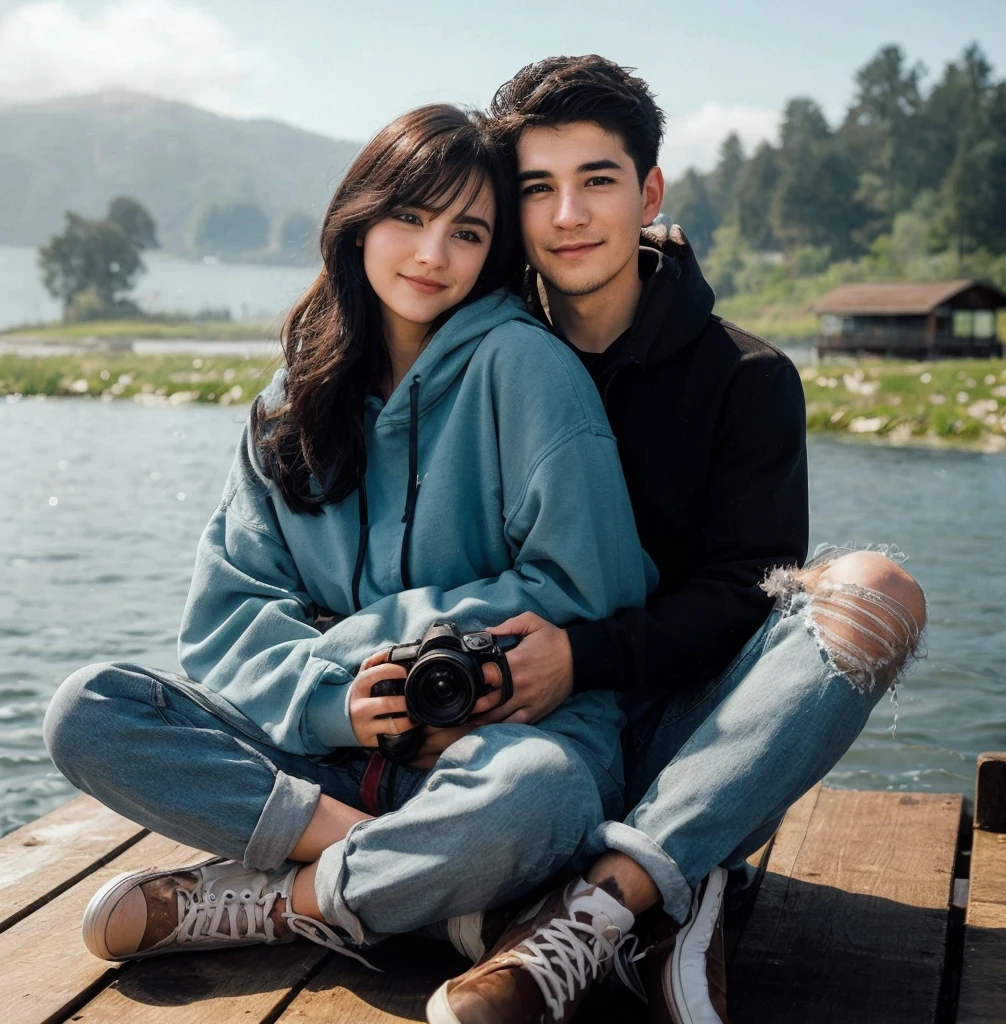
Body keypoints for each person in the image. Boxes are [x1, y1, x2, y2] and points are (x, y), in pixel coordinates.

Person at [42, 103, 654, 966]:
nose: (432, 254)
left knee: (544, 795)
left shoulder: (528, 370)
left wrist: (381, 648)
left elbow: (591, 587)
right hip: (322, 752)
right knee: (88, 711)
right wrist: (338, 703)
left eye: (468, 232)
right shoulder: (290, 401)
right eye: (409, 216)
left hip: (491, 749)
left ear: (494, 255)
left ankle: (286, 901)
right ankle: (422, 880)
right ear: (358, 219)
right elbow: (229, 619)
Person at [427, 57, 928, 1024]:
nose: (568, 214)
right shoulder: (479, 361)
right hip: (518, 743)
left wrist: (583, 656)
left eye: (597, 181)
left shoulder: (749, 377)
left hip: (694, 735)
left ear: (648, 192)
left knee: (873, 588)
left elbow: (746, 592)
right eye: (537, 188)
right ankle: (675, 886)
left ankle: (597, 905)